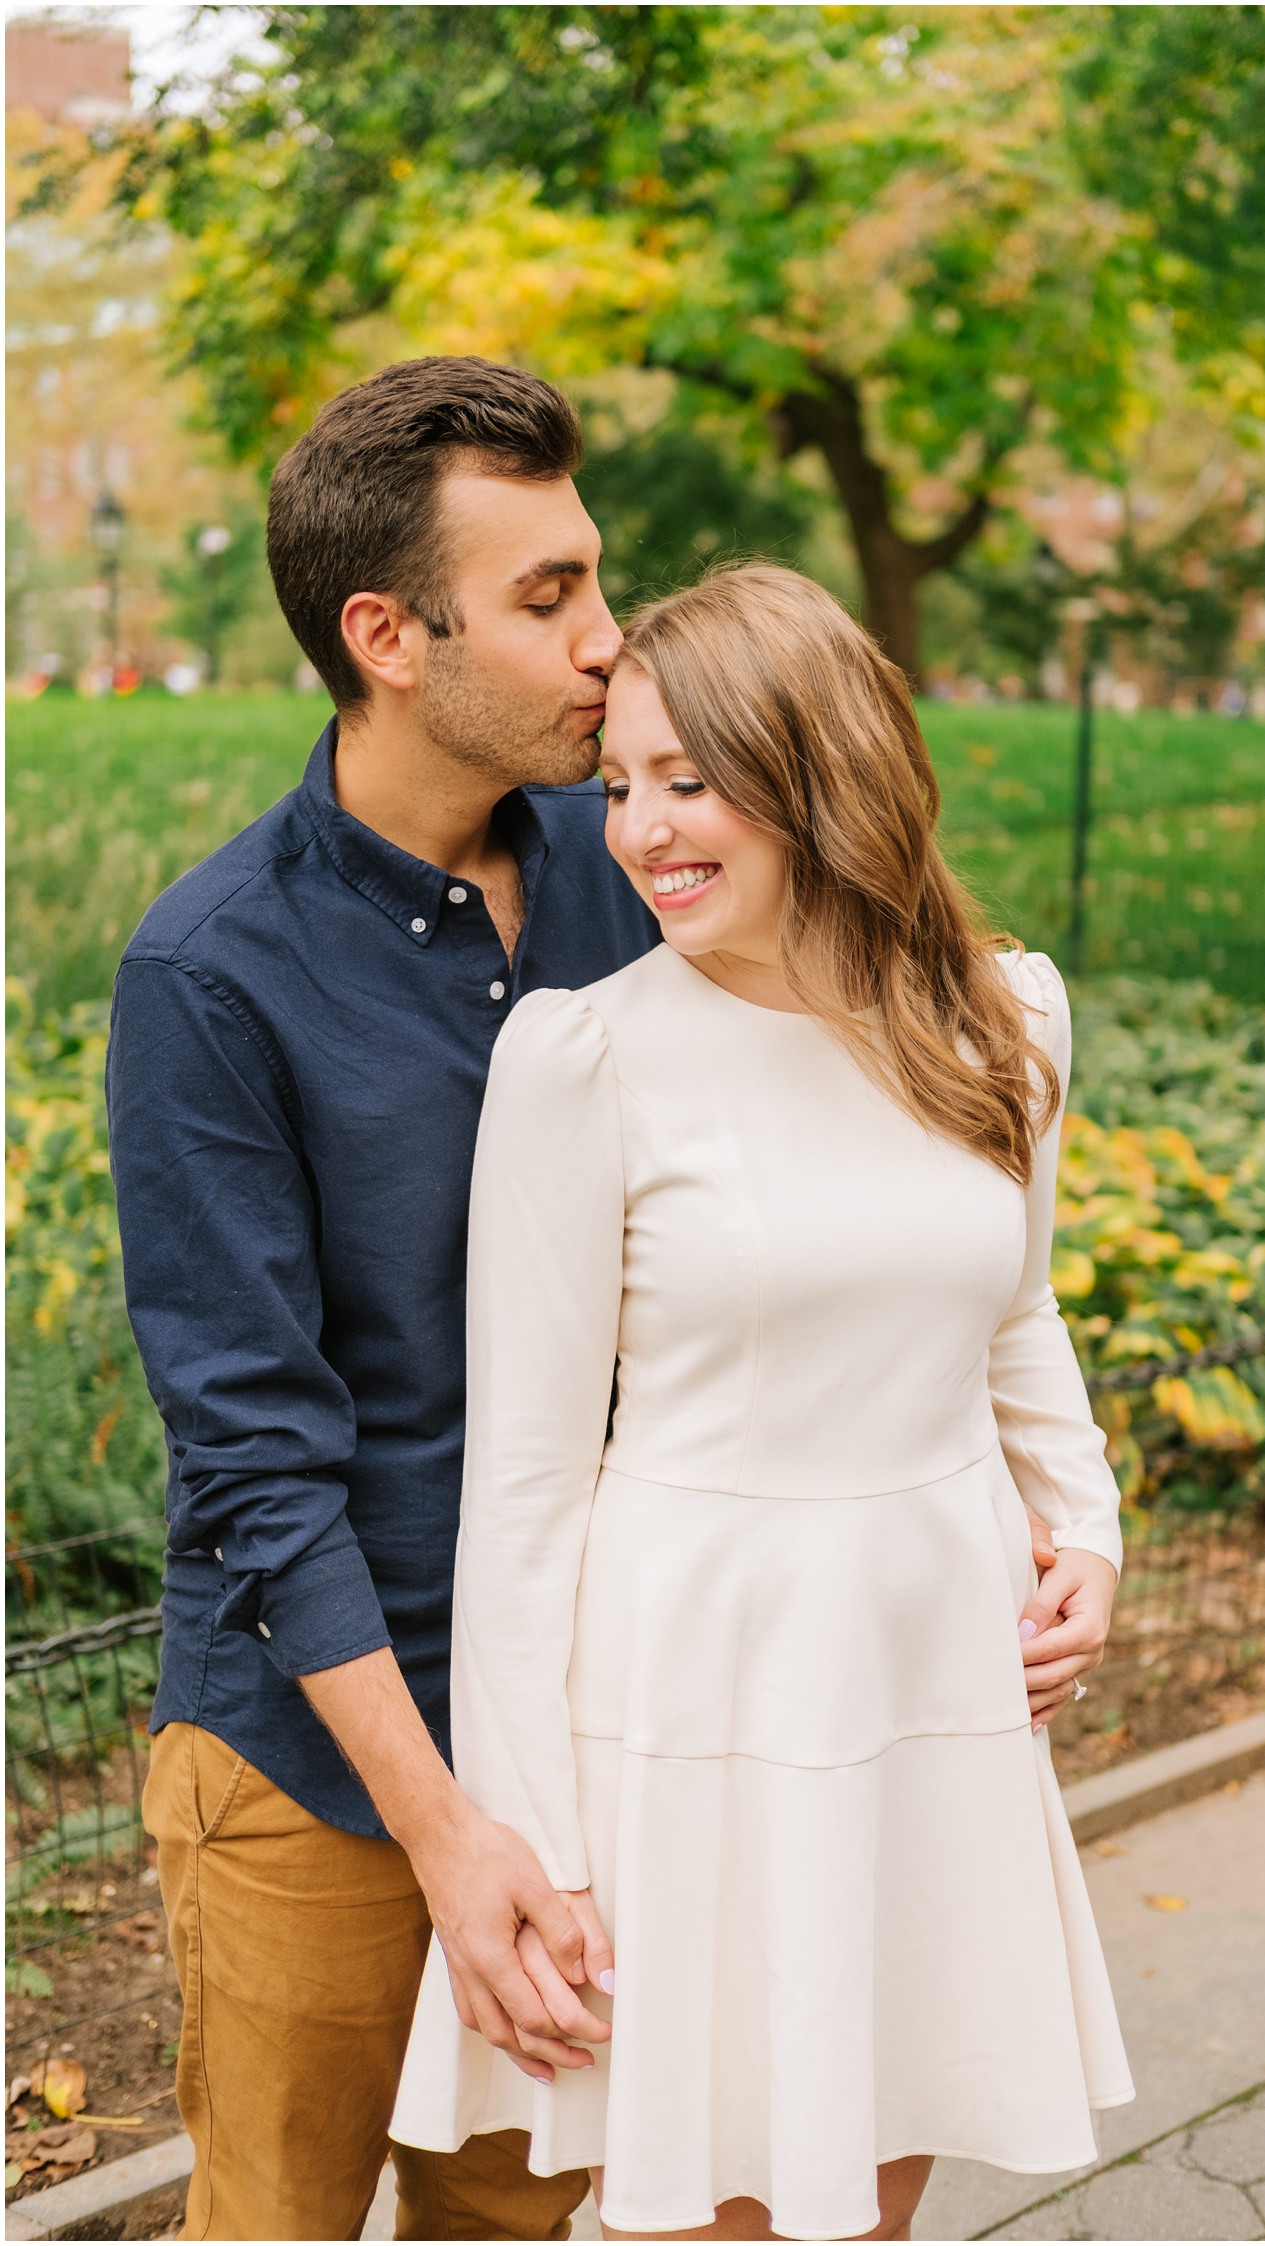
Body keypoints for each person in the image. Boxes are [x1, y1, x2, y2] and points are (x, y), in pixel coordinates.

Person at [107, 357, 1066, 2241]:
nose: (605, 641)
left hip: (615, 1728)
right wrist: (458, 1829)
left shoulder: (648, 860)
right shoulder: (213, 975)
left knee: (529, 2219)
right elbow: (259, 1461)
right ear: (389, 633)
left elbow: (883, 1135)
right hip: (319, 1755)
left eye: (595, 577)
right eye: (547, 597)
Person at [391, 565, 1135, 2241]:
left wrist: (1084, 1524)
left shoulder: (1004, 1015)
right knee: (703, 2204)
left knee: (874, 2186)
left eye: (691, 779)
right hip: (688, 1696)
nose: (641, 830)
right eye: (620, 784)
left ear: (819, 774)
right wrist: (539, 1845)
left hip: (923, 1671)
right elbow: (522, 1485)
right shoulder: (587, 1061)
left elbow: (1015, 1307)